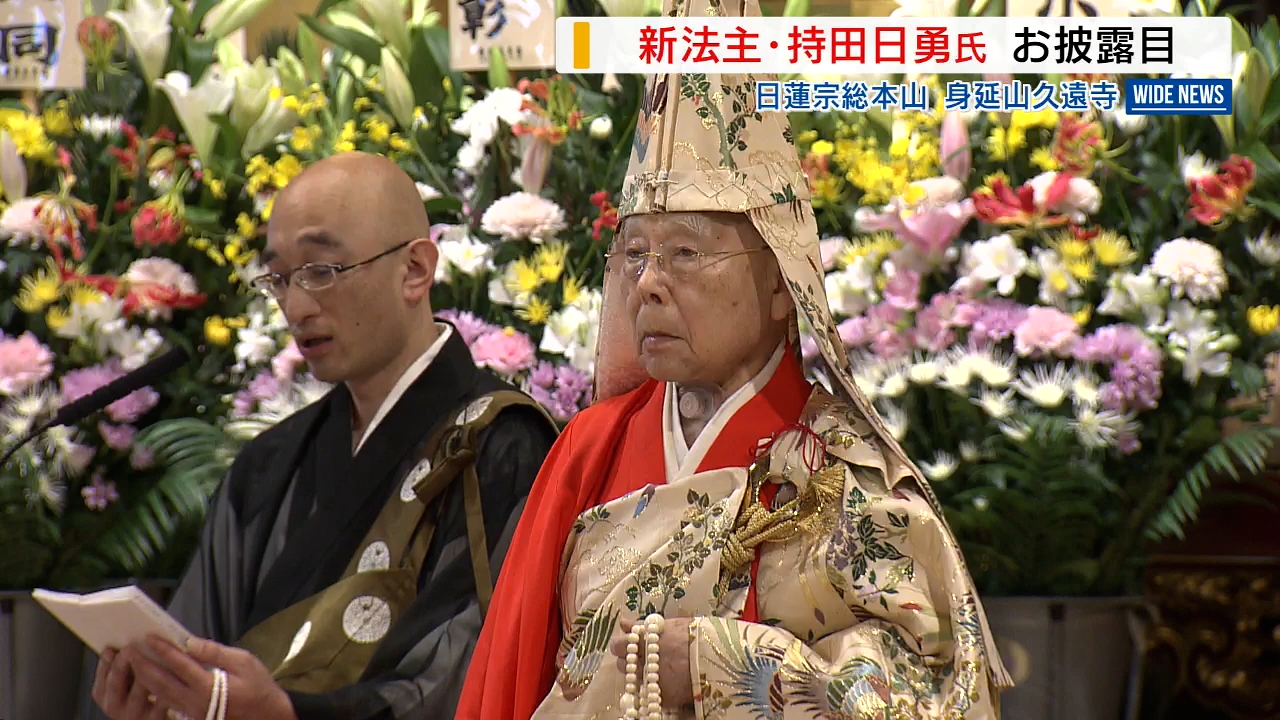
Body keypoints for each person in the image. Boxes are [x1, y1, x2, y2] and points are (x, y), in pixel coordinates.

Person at [455, 2, 1014, 717]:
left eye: (685, 252)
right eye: (635, 255)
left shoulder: (849, 473)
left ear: (783, 284)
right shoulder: (588, 451)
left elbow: (934, 690)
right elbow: (509, 688)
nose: (648, 283)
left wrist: (727, 664)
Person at [83, 152, 560, 720]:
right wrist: (159, 698)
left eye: (321, 271)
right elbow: (199, 645)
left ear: (415, 270)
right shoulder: (271, 464)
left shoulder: (495, 446)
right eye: (279, 278)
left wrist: (286, 715)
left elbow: (469, 680)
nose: (296, 305)